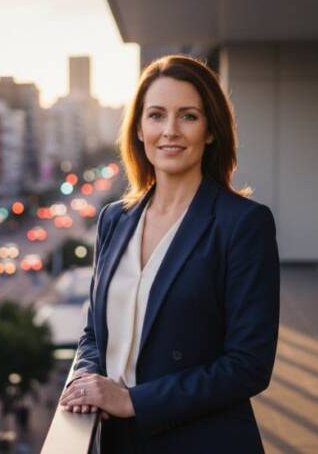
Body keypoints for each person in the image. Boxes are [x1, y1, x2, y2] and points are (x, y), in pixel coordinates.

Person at [59, 55, 280, 453]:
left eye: (189, 116)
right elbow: (95, 332)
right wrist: (88, 381)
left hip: (204, 441)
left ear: (211, 130)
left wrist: (133, 400)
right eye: (157, 115)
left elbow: (249, 365)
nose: (170, 131)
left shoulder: (243, 224)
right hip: (119, 443)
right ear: (139, 129)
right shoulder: (114, 219)